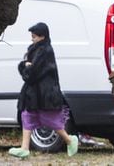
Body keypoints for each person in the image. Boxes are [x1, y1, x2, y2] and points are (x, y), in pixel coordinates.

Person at [8, 22, 78, 158]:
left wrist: (24, 67)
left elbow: (33, 73)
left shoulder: (45, 51)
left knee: (49, 120)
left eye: (34, 36)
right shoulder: (36, 49)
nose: (31, 39)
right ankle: (24, 148)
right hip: (34, 93)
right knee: (27, 116)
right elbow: (31, 70)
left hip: (44, 94)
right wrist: (25, 65)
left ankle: (70, 140)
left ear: (42, 37)